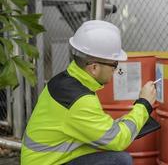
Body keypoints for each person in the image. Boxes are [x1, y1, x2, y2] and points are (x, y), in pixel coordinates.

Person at [21, 20, 157, 165]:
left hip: (49, 160)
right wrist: (144, 104)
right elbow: (117, 140)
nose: (116, 70)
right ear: (94, 68)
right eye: (114, 64)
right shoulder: (80, 100)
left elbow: (97, 129)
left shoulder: (64, 80)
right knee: (119, 161)